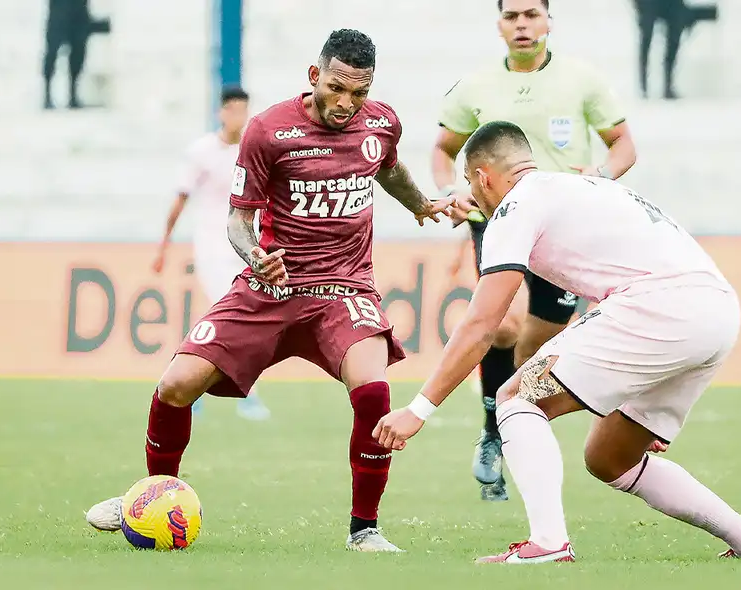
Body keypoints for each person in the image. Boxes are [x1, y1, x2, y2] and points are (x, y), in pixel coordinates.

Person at [85, 29, 452, 552]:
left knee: (374, 392)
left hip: (343, 289)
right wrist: (255, 256)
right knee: (176, 385)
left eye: (359, 92)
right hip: (270, 288)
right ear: (314, 76)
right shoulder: (269, 130)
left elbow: (387, 168)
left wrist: (420, 204)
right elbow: (238, 220)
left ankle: (364, 529)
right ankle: (149, 496)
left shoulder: (381, 122)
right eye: (336, 88)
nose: (346, 103)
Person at [376, 121, 741, 563]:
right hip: (716, 311)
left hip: (657, 307)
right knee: (610, 457)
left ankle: (548, 544)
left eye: (470, 183)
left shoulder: (515, 207)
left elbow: (481, 324)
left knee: (515, 396)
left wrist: (418, 409)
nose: (474, 196)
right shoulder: (584, 188)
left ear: (483, 176)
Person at [430, 0, 637, 501]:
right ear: (499, 25)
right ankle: (492, 436)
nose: (522, 24)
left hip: (563, 229)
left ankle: (500, 429)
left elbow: (624, 145)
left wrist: (603, 175)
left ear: (548, 21)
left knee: (532, 354)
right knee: (503, 325)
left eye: (531, 14)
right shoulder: (476, 86)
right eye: (512, 16)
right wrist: (450, 190)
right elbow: (442, 149)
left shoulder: (582, 80)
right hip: (497, 220)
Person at [151, 85, 271, 421]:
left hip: (246, 245)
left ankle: (193, 384)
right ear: (221, 112)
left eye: (243, 110)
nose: (238, 117)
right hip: (212, 245)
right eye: (232, 110)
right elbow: (180, 200)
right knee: (230, 313)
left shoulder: (253, 149)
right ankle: (236, 393)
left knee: (237, 318)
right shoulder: (201, 152)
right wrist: (163, 246)